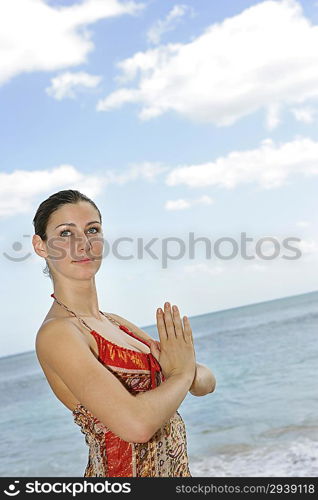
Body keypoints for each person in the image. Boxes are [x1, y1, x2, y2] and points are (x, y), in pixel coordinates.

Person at [32, 189, 216, 477]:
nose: (83, 244)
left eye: (92, 230)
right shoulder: (59, 334)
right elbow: (136, 425)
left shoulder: (115, 324)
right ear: (41, 246)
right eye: (66, 233)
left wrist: (184, 372)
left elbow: (205, 382)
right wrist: (180, 374)